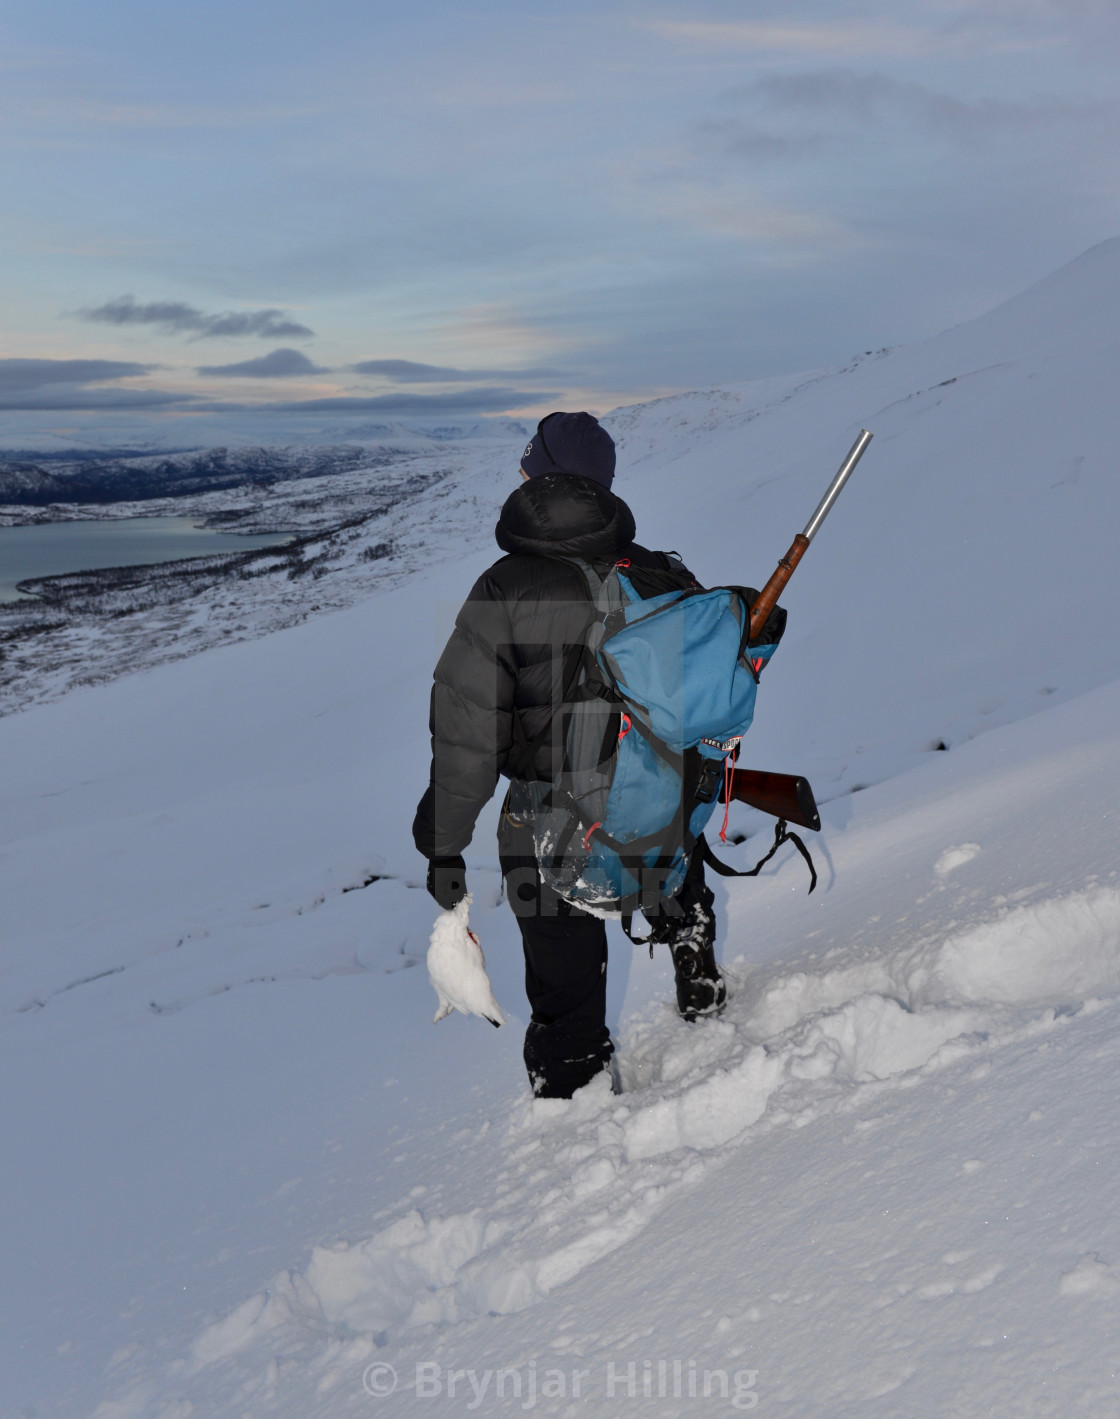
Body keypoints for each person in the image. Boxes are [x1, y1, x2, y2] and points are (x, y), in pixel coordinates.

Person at [413, 411, 736, 1099]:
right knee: (663, 820)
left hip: (548, 826)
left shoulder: (503, 590)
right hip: (657, 809)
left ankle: (575, 1091)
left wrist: (442, 845)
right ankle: (696, 963)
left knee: (563, 982)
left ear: (539, 479)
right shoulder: (663, 575)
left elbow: (468, 737)